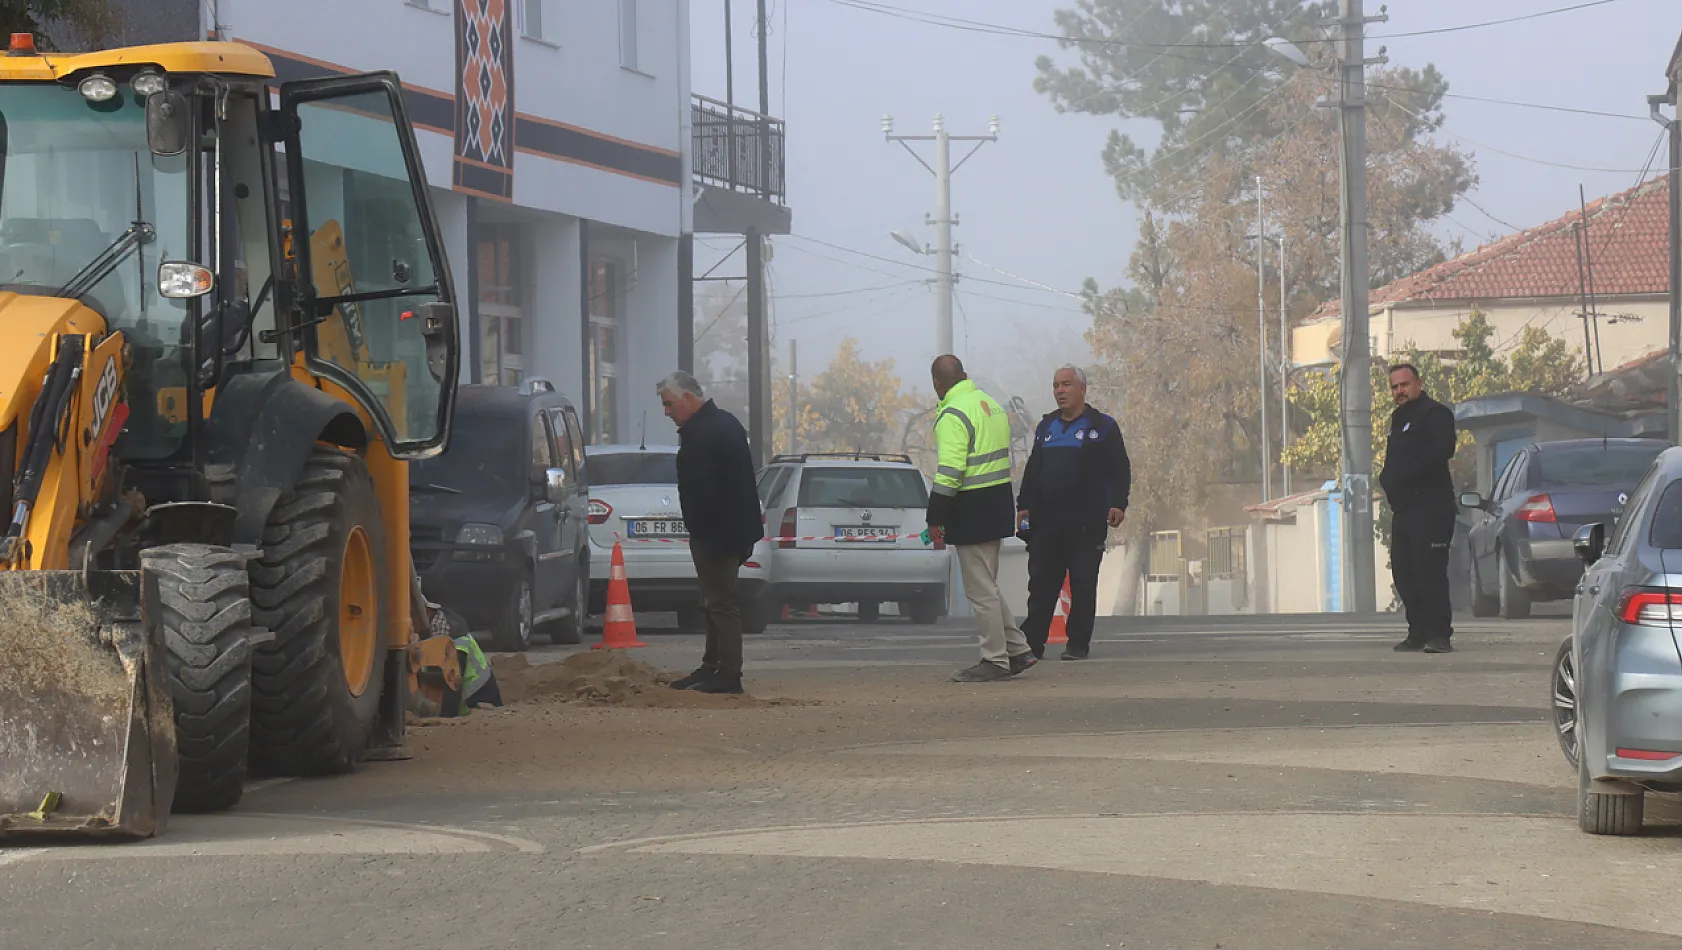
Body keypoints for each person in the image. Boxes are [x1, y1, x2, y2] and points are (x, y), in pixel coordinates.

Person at [926, 355, 1037, 682]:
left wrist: (936, 516)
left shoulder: (953, 414)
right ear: (965, 375)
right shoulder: (989, 405)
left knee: (981, 591)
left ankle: (995, 659)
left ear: (937, 384)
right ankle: (1018, 650)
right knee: (988, 585)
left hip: (970, 508)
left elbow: (949, 472)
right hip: (997, 502)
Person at [659, 371, 764, 693]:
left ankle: (728, 675)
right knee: (712, 602)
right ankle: (711, 666)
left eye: (669, 404)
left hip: (718, 535)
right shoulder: (722, 424)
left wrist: (704, 533)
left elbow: (705, 492)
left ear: (688, 399)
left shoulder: (705, 433)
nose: (667, 412)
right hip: (727, 532)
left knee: (720, 604)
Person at [1016, 366, 1130, 661]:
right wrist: (1024, 506)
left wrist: (1119, 503)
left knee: (1082, 583)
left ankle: (1077, 644)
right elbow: (1033, 469)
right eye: (1055, 385)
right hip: (1047, 522)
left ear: (1082, 388)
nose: (1060, 391)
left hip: (1086, 521)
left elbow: (1119, 468)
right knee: (1041, 584)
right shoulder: (1046, 428)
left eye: (1066, 384)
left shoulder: (1102, 426)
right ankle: (1032, 645)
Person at [1378, 363, 1458, 654]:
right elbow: (1393, 460)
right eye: (1394, 387)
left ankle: (1439, 634)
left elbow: (1443, 449)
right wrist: (1387, 480)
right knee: (1404, 571)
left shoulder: (1435, 414)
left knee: (1430, 571)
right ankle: (1417, 631)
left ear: (1418, 384)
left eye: (1404, 385)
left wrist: (1408, 474)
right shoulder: (1398, 418)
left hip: (1432, 508)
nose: (1400, 391)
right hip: (1405, 510)